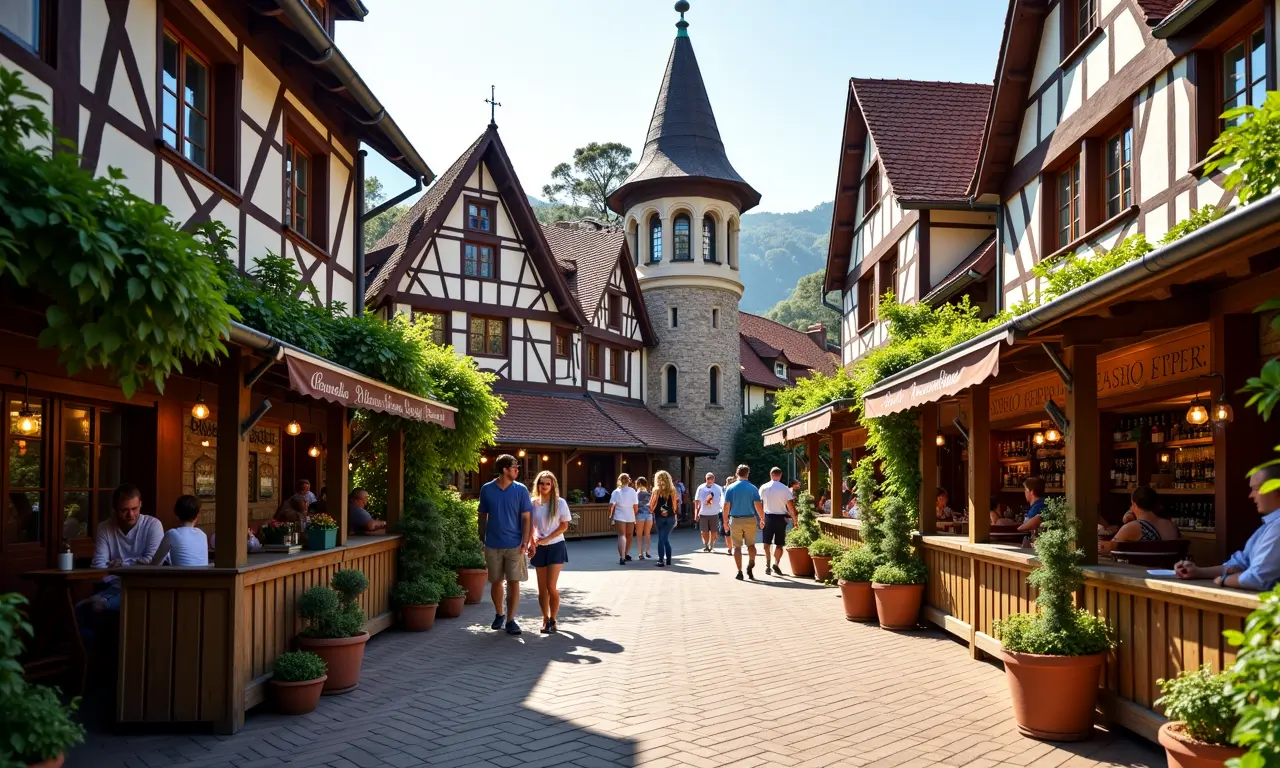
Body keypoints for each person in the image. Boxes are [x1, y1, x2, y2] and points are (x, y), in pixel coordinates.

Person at [1176, 465, 1280, 590]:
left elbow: (1256, 579)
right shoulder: (1267, 527)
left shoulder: (1277, 527)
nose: (1251, 495)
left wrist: (1224, 580)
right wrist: (1197, 571)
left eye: (1256, 489)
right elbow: (1239, 563)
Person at [80, 485, 164, 634]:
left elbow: (152, 562)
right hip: (112, 586)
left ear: (141, 505)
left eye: (134, 509)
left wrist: (120, 564)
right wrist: (135, 563)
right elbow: (99, 565)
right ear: (115, 509)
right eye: (124, 510)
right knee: (79, 610)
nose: (130, 514)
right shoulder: (105, 528)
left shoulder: (152, 525)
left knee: (92, 608)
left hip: (141, 587)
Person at [478, 454, 533, 636]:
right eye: (514, 467)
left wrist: (525, 541)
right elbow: (482, 515)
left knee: (513, 581)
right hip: (492, 543)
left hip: (514, 544)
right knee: (496, 581)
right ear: (504, 469)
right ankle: (499, 614)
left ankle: (511, 619)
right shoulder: (487, 489)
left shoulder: (521, 490)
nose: (517, 470)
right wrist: (482, 538)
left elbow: (526, 517)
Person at [528, 470, 571, 634]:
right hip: (539, 547)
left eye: (548, 483)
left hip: (556, 545)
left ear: (553, 485)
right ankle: (545, 619)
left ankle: (553, 619)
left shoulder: (560, 503)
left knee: (551, 586)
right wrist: (532, 543)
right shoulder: (533, 503)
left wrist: (548, 539)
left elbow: (564, 525)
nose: (544, 486)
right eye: (542, 483)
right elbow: (530, 526)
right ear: (537, 485)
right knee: (541, 589)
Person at [1100, 486, 1179, 554]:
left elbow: (1106, 548)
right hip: (1168, 566)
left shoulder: (1135, 527)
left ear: (1133, 504)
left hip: (1142, 566)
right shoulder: (1170, 525)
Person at [722, 464, 765, 580]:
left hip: (735, 520)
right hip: (750, 519)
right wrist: (762, 518)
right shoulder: (753, 488)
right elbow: (758, 506)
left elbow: (726, 506)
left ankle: (739, 571)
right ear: (747, 474)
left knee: (737, 547)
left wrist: (725, 521)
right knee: (751, 544)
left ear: (737, 473)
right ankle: (751, 563)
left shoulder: (730, 488)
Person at [149, 495, 209, 567]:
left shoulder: (172, 534)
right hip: (203, 574)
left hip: (181, 574)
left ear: (176, 515)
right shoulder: (203, 535)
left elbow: (156, 563)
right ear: (197, 515)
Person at [759, 466, 797, 576]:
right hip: (781, 518)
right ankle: (776, 563)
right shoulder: (785, 489)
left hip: (768, 517)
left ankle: (767, 564)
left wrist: (761, 518)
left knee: (766, 543)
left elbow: (760, 504)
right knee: (779, 544)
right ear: (780, 475)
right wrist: (795, 520)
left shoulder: (763, 487)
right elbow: (790, 506)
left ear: (770, 475)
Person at [609, 473, 639, 565]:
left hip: (619, 515)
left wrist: (610, 516)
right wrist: (635, 515)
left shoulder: (616, 492)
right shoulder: (632, 491)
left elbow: (611, 506)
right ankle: (625, 553)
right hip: (630, 515)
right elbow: (635, 506)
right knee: (629, 535)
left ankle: (622, 556)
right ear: (629, 481)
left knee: (622, 535)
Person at [651, 470, 679, 567]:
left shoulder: (656, 491)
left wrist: (652, 514)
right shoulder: (673, 491)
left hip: (659, 517)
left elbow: (652, 504)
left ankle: (661, 560)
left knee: (661, 538)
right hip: (670, 517)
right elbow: (675, 505)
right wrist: (676, 517)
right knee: (665, 538)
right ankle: (668, 560)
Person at [693, 472, 724, 553]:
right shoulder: (701, 488)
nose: (709, 480)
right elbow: (697, 501)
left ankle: (712, 545)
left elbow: (722, 500)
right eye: (708, 479)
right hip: (703, 513)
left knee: (714, 531)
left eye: (711, 479)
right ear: (705, 479)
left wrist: (722, 510)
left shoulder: (718, 488)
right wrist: (696, 513)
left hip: (714, 513)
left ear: (714, 479)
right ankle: (706, 544)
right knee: (704, 531)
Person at [634, 477, 654, 560]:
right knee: (647, 534)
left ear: (638, 484)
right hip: (649, 515)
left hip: (640, 514)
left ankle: (640, 553)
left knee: (639, 535)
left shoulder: (636, 494)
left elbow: (635, 505)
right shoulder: (650, 494)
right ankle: (647, 551)